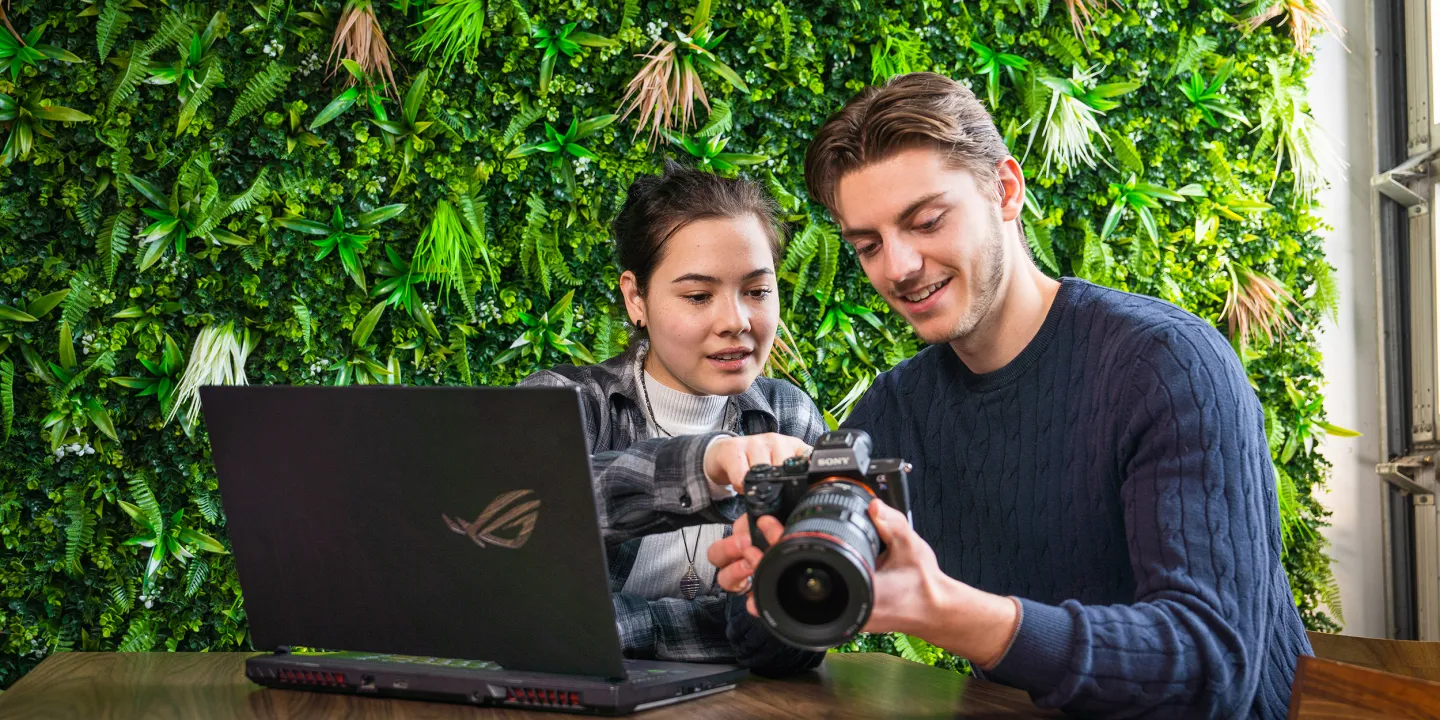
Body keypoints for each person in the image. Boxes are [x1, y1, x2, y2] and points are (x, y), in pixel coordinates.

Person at [704, 72, 1314, 717]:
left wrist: (948, 613)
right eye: (868, 244)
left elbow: (1210, 666)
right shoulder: (900, 410)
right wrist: (774, 568)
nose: (898, 267)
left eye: (927, 221)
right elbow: (769, 651)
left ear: (1004, 190)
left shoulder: (1165, 363)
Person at [518, 162, 825, 675]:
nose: (735, 321)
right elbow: (526, 527)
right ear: (636, 297)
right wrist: (706, 464)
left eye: (757, 291)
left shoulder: (789, 417)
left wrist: (621, 627)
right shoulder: (565, 404)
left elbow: (799, 630)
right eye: (698, 296)